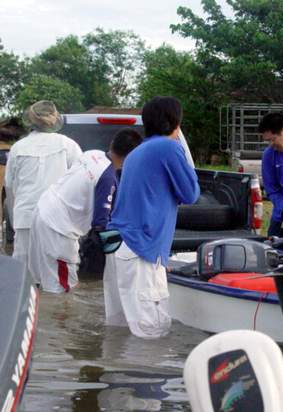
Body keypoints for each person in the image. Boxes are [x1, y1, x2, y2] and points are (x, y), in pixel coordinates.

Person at [104, 96, 200, 339]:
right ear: (175, 122)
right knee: (151, 332)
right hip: (140, 247)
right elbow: (190, 194)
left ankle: (114, 375)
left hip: (116, 243)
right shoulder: (168, 147)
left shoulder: (137, 152)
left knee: (119, 330)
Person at [27, 129, 143, 293]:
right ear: (132, 157)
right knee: (64, 289)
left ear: (112, 143)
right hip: (58, 228)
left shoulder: (92, 154)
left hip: (42, 210)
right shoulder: (108, 178)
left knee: (39, 281)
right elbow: (100, 224)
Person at [4, 100, 82, 283]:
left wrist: (17, 222)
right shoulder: (69, 145)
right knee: (61, 281)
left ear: (30, 120)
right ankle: (61, 312)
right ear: (55, 120)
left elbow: (10, 188)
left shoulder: (18, 148)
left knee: (22, 279)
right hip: (58, 221)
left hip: (25, 220)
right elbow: (80, 185)